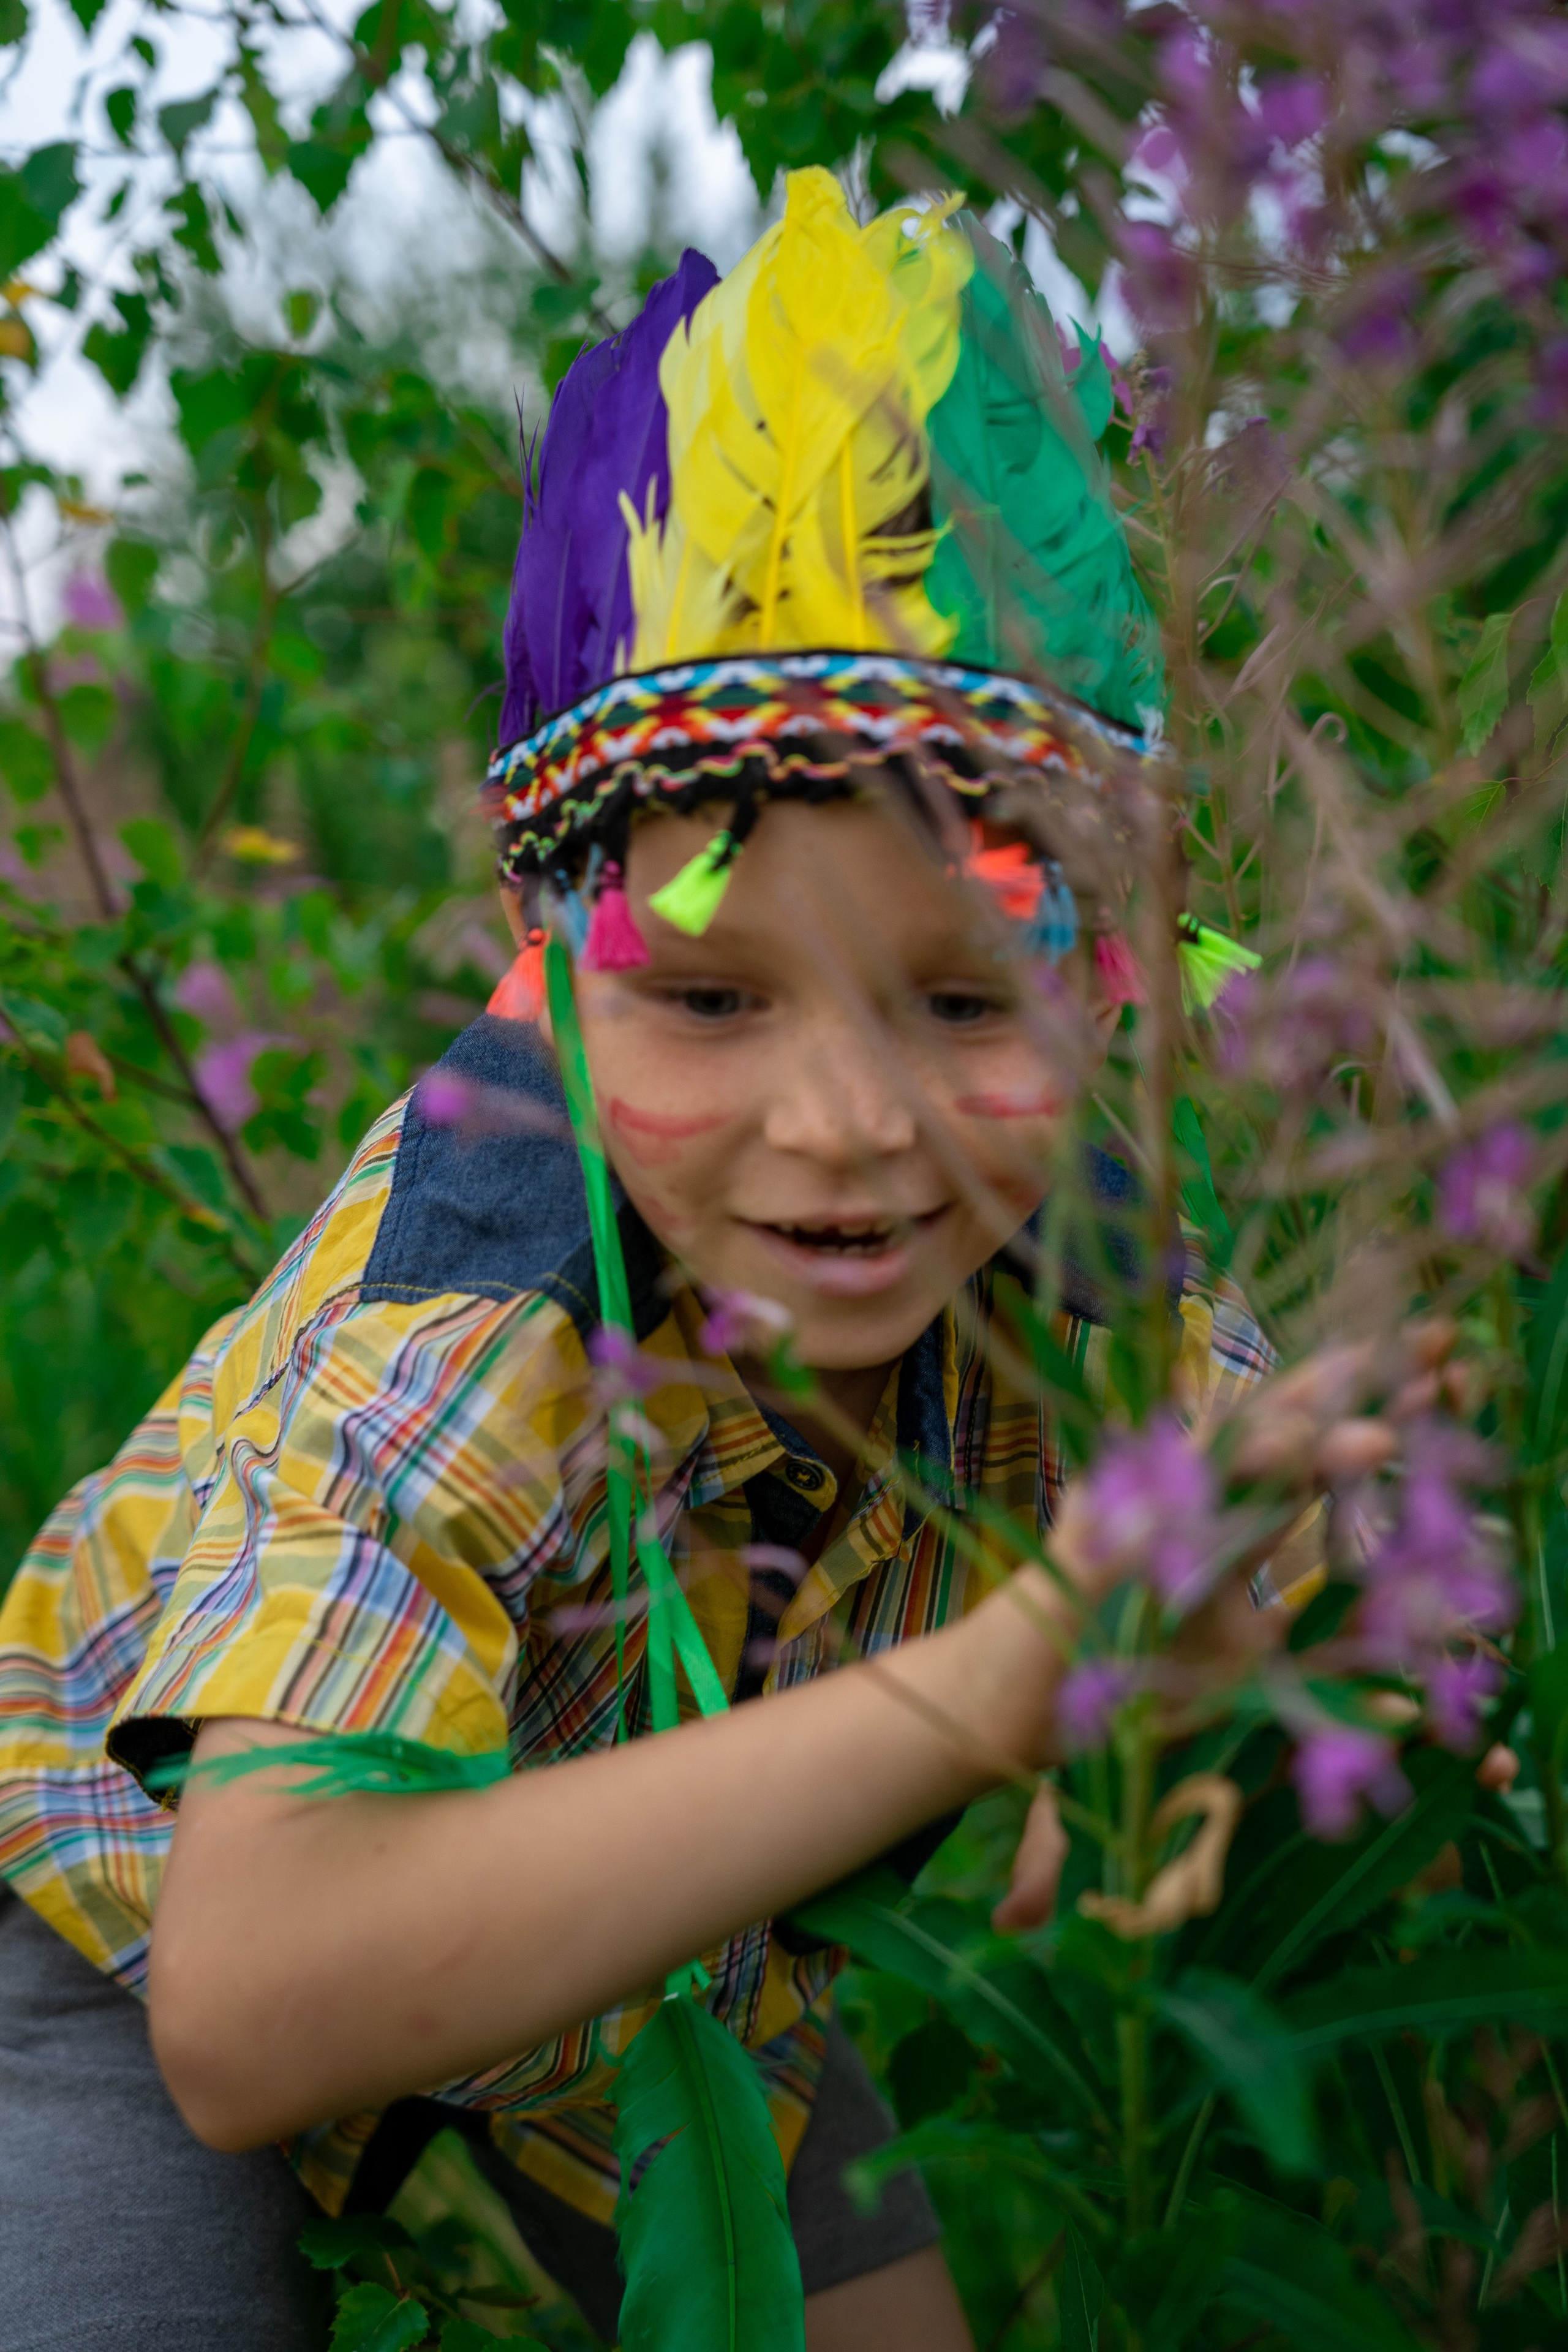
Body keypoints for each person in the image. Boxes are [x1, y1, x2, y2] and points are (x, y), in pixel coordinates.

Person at [0, 170, 1307, 2352]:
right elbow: (253, 2003)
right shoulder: (462, 1289)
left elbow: (1300, 1561)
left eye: (970, 1000)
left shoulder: (1094, 1259)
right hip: (132, 1939)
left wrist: (1251, 1679)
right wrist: (988, 1698)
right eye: (711, 1001)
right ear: (550, 970)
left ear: (1118, 989)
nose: (850, 1126)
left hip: (675, 1965)